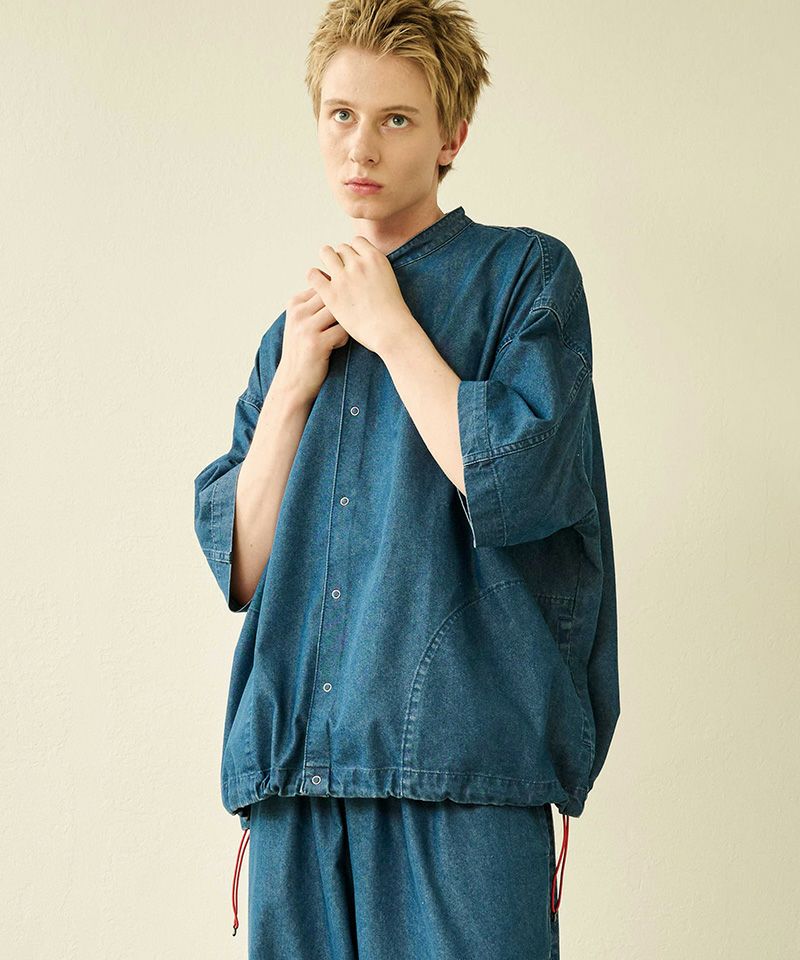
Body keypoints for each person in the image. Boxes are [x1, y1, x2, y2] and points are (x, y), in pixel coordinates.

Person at [193, 1, 620, 957]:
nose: (363, 146)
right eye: (342, 114)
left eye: (396, 118)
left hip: (464, 773)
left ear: (451, 135)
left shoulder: (526, 276)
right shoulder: (290, 335)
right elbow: (243, 566)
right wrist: (294, 381)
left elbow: (511, 481)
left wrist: (390, 328)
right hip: (298, 780)